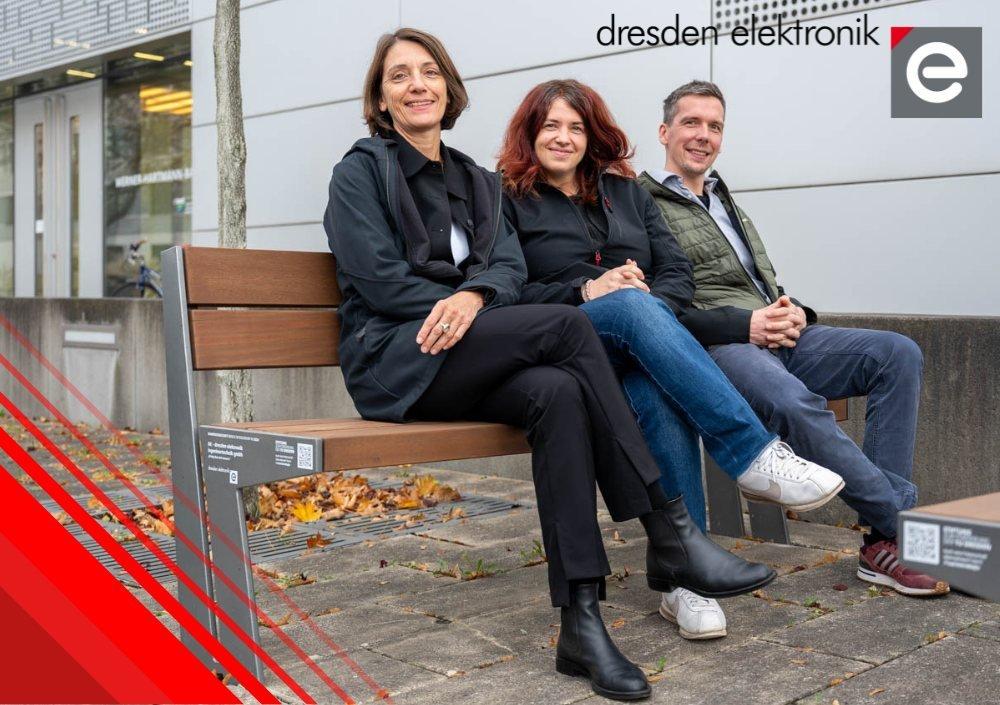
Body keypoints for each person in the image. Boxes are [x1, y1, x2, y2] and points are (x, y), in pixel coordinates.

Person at [323, 30, 777, 700]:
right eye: (399, 76)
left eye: (429, 72)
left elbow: (507, 268)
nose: (417, 85)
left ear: (449, 88)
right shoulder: (360, 173)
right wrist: (468, 301)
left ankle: (581, 622)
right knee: (568, 324)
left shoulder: (477, 182)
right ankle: (668, 528)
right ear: (381, 99)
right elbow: (379, 280)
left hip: (473, 353)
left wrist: (478, 295)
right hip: (400, 360)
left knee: (559, 392)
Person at [498, 79, 845, 641]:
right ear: (530, 132)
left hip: (637, 343)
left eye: (577, 127)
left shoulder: (627, 193)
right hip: (564, 340)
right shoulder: (506, 199)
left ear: (593, 135)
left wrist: (650, 308)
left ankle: (686, 580)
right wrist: (587, 290)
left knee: (657, 392)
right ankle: (752, 453)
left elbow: (677, 271)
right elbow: (507, 287)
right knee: (629, 309)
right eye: (551, 126)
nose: (564, 138)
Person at [637, 80, 948, 597]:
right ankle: (901, 530)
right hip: (719, 345)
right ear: (664, 131)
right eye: (691, 123)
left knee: (897, 353)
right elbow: (656, 312)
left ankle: (881, 542)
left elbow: (762, 282)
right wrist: (746, 325)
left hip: (777, 333)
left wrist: (796, 311)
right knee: (789, 399)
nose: (704, 135)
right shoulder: (640, 202)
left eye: (715, 126)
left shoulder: (723, 198)